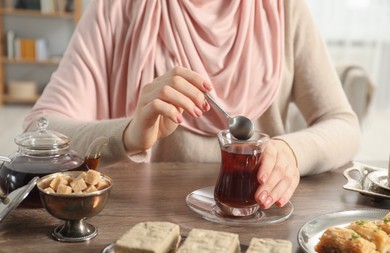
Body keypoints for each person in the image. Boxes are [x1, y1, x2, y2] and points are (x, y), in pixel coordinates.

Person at [23, 0, 360, 210]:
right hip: (134, 218)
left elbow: (343, 124)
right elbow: (39, 130)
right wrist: (126, 134)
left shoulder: (283, 8)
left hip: (264, 220)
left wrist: (292, 151)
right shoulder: (116, 7)